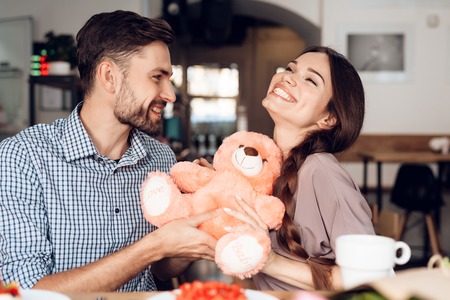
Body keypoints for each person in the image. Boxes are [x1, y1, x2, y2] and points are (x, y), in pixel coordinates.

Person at [0, 10, 217, 292]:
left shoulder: (160, 158)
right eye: (157, 77)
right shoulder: (22, 158)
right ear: (109, 76)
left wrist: (197, 219)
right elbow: (28, 292)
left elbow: (161, 270)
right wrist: (151, 247)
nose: (170, 94)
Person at [224, 46, 375, 291]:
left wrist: (268, 260)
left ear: (328, 118)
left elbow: (366, 277)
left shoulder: (322, 171)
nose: (288, 77)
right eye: (290, 69)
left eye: (310, 80)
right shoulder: (270, 168)